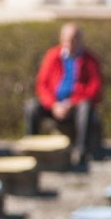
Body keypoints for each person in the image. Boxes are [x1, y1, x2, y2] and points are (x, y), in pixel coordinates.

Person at [24, 22, 103, 166]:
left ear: (80, 40)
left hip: (76, 105)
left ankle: (81, 152)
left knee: (85, 107)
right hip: (54, 104)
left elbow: (95, 88)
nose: (70, 43)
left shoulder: (89, 59)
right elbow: (42, 85)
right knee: (31, 106)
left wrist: (72, 103)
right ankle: (32, 148)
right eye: (67, 39)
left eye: (73, 39)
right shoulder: (52, 56)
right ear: (61, 39)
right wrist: (54, 104)